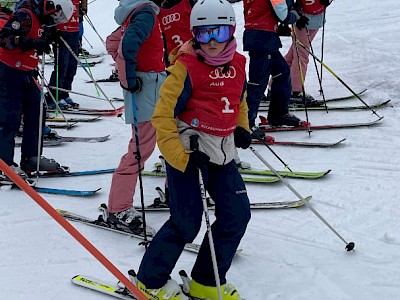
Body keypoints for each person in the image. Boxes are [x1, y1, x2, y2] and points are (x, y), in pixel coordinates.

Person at [136, 0, 251, 299]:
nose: (212, 42)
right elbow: (162, 117)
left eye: (219, 32)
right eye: (203, 35)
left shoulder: (239, 63)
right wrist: (181, 158)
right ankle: (150, 281)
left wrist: (242, 127)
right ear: (194, 35)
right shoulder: (184, 69)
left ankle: (206, 280)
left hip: (223, 154)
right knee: (186, 223)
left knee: (236, 215)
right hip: (189, 155)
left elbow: (240, 101)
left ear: (232, 31)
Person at [105, 0, 166, 236]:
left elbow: (113, 41)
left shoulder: (137, 12)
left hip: (152, 85)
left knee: (167, 138)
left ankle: (175, 193)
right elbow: (126, 45)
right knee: (141, 149)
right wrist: (129, 78)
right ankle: (118, 208)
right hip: (145, 89)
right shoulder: (145, 12)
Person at [0, 0, 73, 182]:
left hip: (26, 73)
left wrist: (49, 36)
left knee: (37, 113)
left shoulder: (40, 19)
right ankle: (4, 164)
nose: (53, 20)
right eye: (54, 16)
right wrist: (31, 43)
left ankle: (31, 158)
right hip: (9, 71)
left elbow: (40, 36)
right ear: (49, 6)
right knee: (10, 119)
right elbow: (4, 38)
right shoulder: (25, 15)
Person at [243, 0, 306, 138]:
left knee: (282, 73)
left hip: (262, 36)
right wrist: (295, 15)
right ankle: (246, 124)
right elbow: (282, 13)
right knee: (258, 82)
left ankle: (278, 114)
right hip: (263, 37)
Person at [285, 0, 332, 104]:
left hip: (316, 18)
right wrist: (294, 13)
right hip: (301, 19)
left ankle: (274, 85)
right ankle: (295, 91)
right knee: (301, 55)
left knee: (295, 53)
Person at [44, 0, 83, 109]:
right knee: (62, 67)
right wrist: (52, 30)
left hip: (74, 32)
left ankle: (65, 92)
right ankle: (54, 96)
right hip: (62, 32)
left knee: (72, 67)